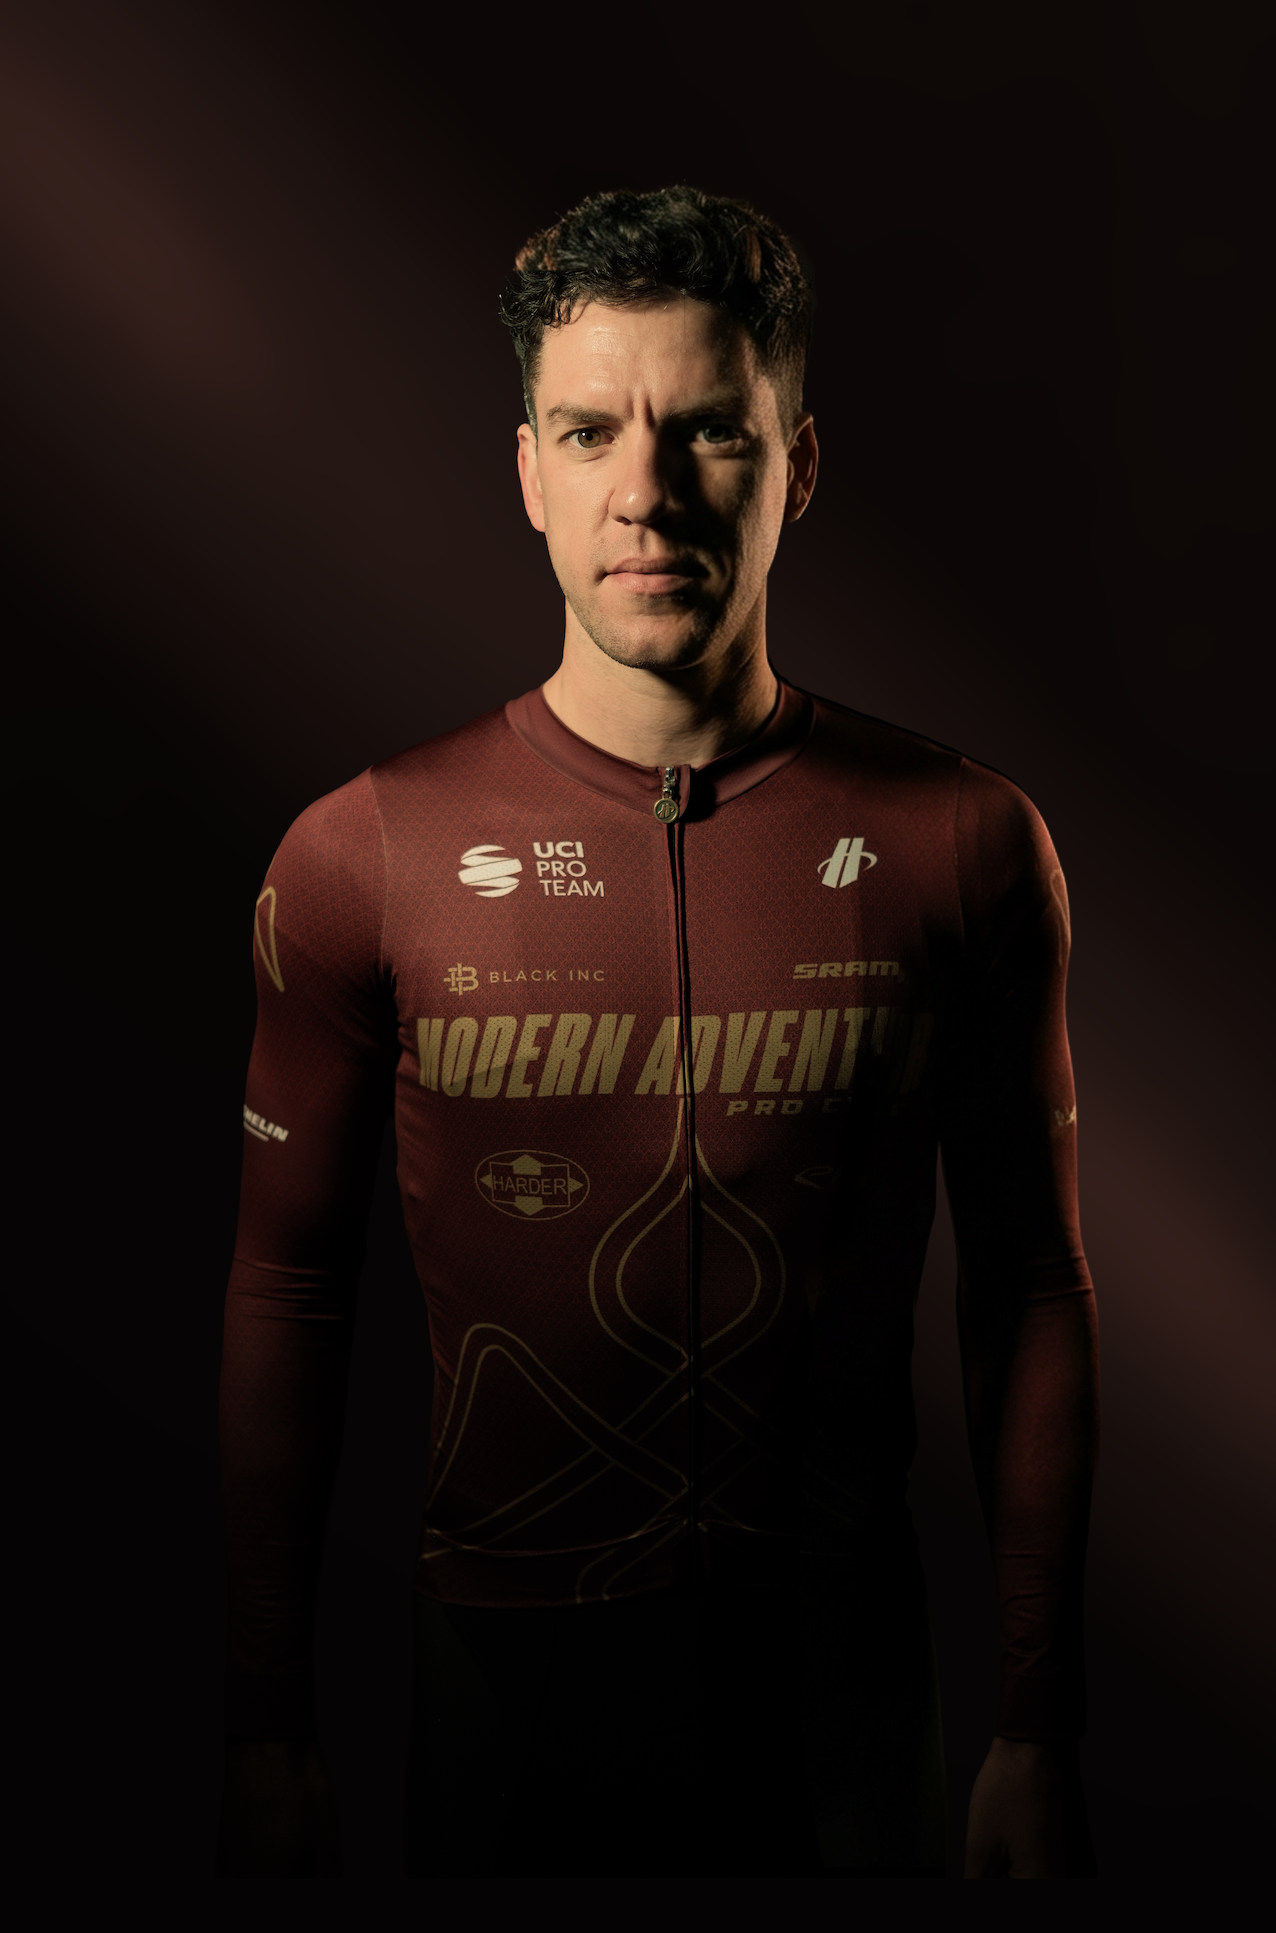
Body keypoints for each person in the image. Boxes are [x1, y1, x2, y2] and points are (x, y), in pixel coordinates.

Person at [216, 185, 1100, 1879]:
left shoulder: (962, 843)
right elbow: (286, 1293)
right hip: (504, 1700)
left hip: (842, 1697)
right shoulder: (363, 855)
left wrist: (1039, 1722)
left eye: (708, 429)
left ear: (798, 465)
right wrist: (265, 1726)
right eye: (590, 432)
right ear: (528, 473)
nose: (648, 491)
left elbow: (1031, 1289)